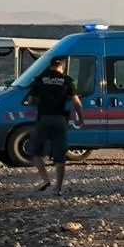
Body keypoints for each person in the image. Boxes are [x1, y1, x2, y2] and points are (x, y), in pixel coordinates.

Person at [26, 56, 85, 195]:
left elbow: (30, 101)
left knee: (34, 150)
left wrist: (41, 103)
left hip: (43, 119)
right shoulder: (67, 81)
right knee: (60, 156)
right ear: (62, 67)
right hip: (60, 120)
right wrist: (81, 118)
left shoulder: (40, 79)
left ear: (51, 65)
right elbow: (77, 103)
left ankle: (46, 179)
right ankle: (58, 188)